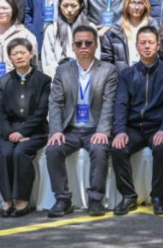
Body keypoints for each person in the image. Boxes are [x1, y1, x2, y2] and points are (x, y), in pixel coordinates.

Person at [44, 26, 119, 218]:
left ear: (96, 45)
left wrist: (103, 131)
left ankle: (95, 200)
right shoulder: (63, 70)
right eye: (79, 43)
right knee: (52, 150)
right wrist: (56, 130)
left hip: (95, 129)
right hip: (71, 130)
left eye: (88, 42)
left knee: (100, 149)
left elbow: (109, 103)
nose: (83, 46)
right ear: (72, 46)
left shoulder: (108, 70)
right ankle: (63, 199)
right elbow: (55, 102)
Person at [110, 26, 163, 216]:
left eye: (151, 42)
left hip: (159, 127)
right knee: (117, 148)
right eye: (143, 43)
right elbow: (121, 105)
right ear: (136, 46)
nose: (147, 46)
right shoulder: (127, 74)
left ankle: (158, 196)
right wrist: (120, 131)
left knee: (162, 148)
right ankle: (128, 196)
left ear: (158, 46)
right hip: (134, 127)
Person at [0, 38, 50, 217]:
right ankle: (7, 199)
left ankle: (22, 199)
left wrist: (23, 132)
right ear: (9, 57)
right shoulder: (3, 81)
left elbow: (41, 112)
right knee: (5, 153)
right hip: (8, 132)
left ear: (31, 54)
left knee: (20, 152)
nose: (19, 56)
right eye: (14, 53)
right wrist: (11, 133)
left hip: (35, 131)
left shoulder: (43, 80)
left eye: (22, 52)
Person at [41, 0, 92, 77]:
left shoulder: (90, 28)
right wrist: (58, 80)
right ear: (59, 5)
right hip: (58, 78)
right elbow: (48, 60)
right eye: (65, 5)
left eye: (73, 5)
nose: (69, 10)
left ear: (81, 5)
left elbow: (94, 57)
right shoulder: (52, 29)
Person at [100, 0, 154, 70]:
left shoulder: (153, 28)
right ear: (127, 4)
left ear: (145, 5)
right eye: (133, 3)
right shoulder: (114, 31)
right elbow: (106, 62)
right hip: (122, 75)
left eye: (140, 3)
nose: (136, 7)